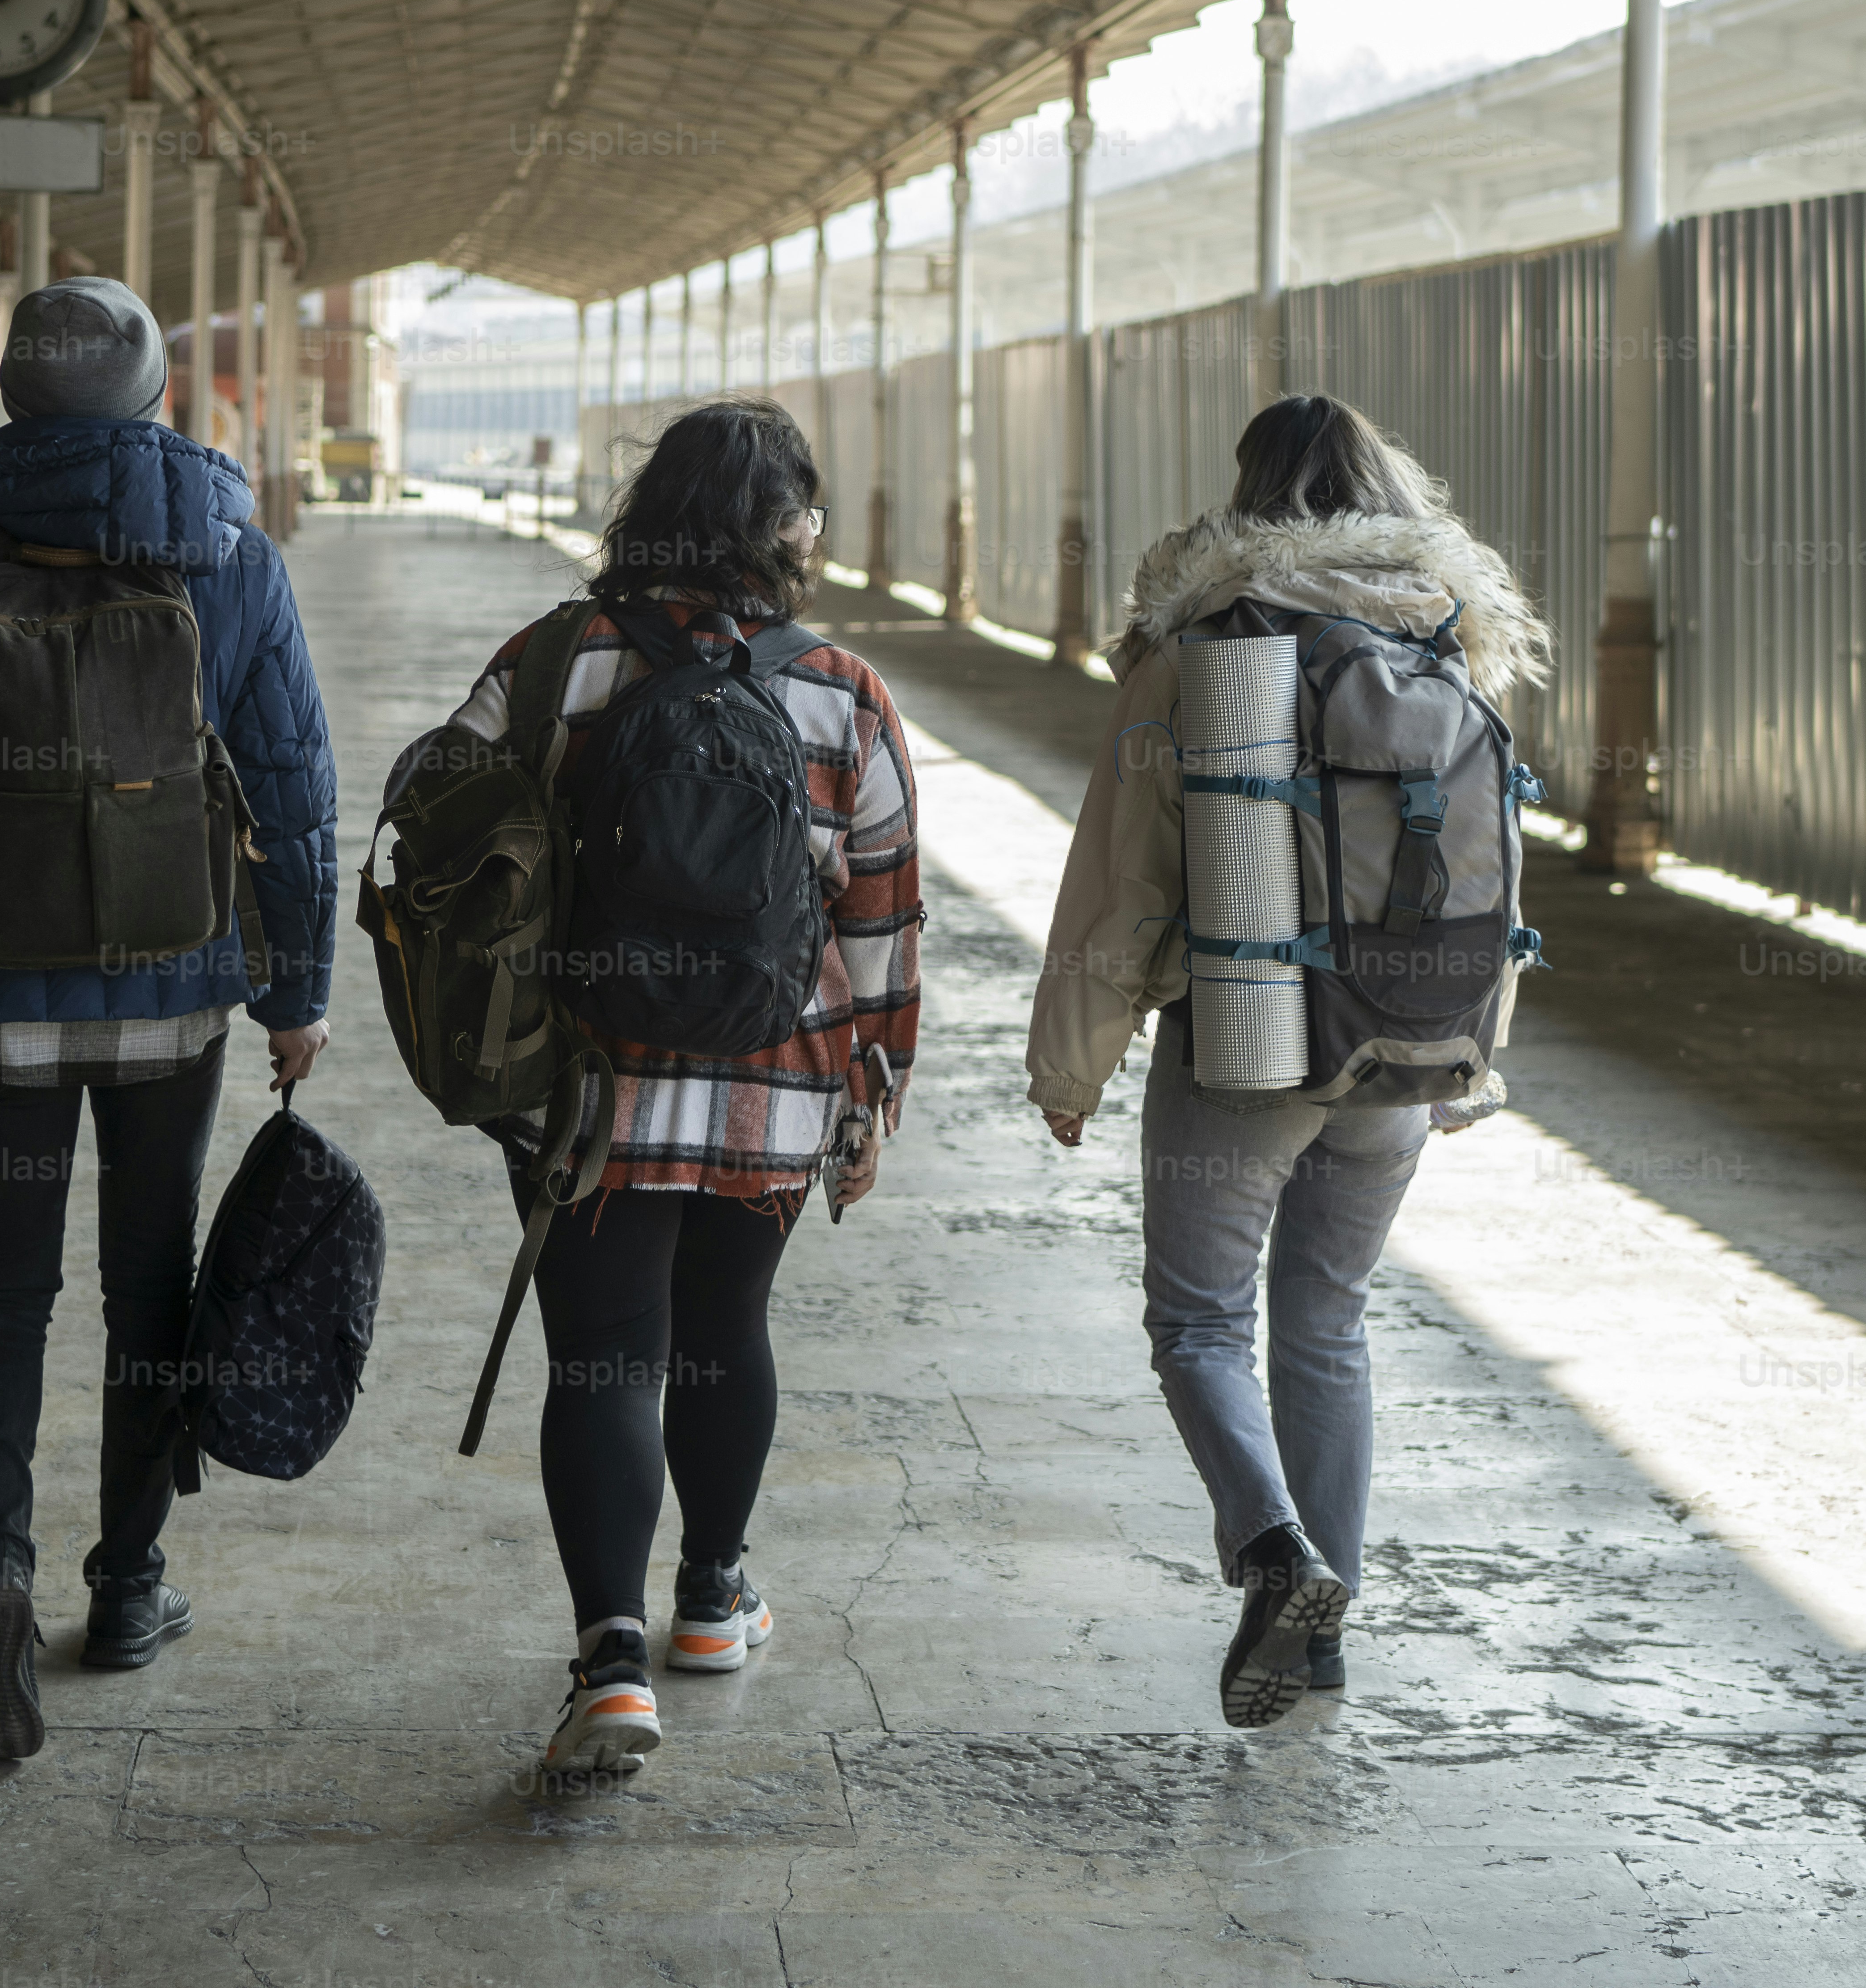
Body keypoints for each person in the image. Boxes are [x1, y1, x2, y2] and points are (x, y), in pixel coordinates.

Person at [0, 275, 334, 1764]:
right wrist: (296, 991)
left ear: (13, 396)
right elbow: (293, 790)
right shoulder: (232, 554)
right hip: (175, 991)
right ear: (156, 397)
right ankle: (131, 1580)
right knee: (149, 1283)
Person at [1023, 395, 1546, 1726]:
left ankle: (1275, 1557)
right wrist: (1471, 1054)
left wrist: (1071, 1063)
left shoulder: (1208, 641)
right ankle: (1321, 1646)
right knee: (1329, 1324)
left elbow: (1124, 884)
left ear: (1248, 493)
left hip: (1246, 1042)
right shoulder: (1448, 632)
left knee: (1200, 1323)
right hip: (1403, 1047)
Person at [438, 398, 919, 1782]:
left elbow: (440, 826)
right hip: (775, 1078)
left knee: (602, 1353)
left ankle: (610, 1664)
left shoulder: (552, 659)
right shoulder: (841, 687)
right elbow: (882, 912)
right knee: (723, 1327)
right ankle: (712, 1595)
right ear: (788, 532)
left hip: (586, 1083)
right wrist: (873, 1083)